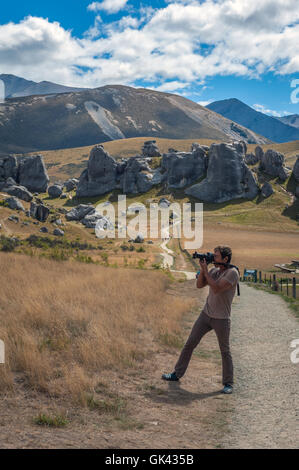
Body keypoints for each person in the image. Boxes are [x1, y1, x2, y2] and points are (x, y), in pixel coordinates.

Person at [162, 245, 239, 394]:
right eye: (213, 255)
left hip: (222, 318)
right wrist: (204, 269)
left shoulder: (232, 273)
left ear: (225, 259)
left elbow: (216, 288)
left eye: (216, 256)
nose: (213, 258)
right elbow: (199, 285)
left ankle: (228, 383)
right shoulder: (215, 271)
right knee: (190, 343)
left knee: (224, 350)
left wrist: (205, 270)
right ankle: (176, 374)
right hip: (206, 314)